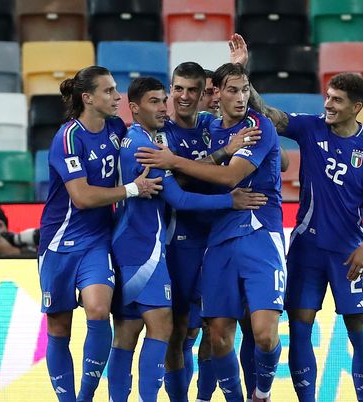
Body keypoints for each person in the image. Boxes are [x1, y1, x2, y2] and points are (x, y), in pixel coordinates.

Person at [107, 76, 267, 402]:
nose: (165, 105)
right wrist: (230, 198)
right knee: (166, 330)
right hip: (150, 248)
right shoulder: (146, 145)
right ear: (134, 108)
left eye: (162, 99)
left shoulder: (141, 137)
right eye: (157, 100)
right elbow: (178, 198)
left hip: (142, 244)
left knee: (135, 334)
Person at [251, 72, 363, 402]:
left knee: (360, 327)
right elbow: (268, 114)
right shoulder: (310, 127)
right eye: (327, 97)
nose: (328, 104)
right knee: (300, 327)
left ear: (356, 107)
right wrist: (244, 72)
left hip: (349, 252)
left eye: (337, 100)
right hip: (306, 248)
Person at [37, 66, 163, 402]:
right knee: (59, 328)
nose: (116, 97)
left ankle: (86, 397)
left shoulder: (116, 128)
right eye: (108, 91)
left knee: (97, 309)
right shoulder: (68, 138)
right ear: (87, 98)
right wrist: (133, 190)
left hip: (97, 241)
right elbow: (82, 196)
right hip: (59, 242)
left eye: (115, 90)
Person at [159, 62, 259, 402]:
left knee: (213, 327)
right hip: (179, 239)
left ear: (205, 94)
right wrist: (223, 154)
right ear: (171, 90)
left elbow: (284, 163)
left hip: (218, 238)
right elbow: (176, 184)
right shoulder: (162, 135)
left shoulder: (210, 125)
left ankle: (203, 397)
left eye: (192, 90)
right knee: (179, 330)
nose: (184, 97)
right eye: (178, 89)